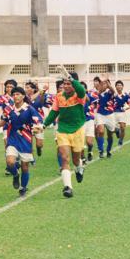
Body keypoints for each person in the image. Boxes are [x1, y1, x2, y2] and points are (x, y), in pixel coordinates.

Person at [44, 70, 86, 198]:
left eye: (69, 83)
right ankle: (68, 187)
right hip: (62, 130)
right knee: (64, 158)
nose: (66, 86)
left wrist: (72, 79)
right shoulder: (59, 96)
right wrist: (44, 124)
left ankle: (79, 168)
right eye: (65, 83)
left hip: (77, 130)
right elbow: (54, 112)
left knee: (75, 159)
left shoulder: (80, 95)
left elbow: (81, 90)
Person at [0, 86, 40, 197]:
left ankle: (23, 187)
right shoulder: (9, 108)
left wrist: (38, 128)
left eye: (18, 94)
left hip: (25, 140)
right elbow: (4, 121)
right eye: (14, 94)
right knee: (10, 162)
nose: (15, 96)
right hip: (12, 139)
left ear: (23, 96)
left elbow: (38, 122)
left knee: (25, 167)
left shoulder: (29, 109)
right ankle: (15, 175)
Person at [25, 81, 52, 157]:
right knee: (28, 142)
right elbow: (29, 99)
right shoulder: (24, 97)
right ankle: (31, 158)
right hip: (27, 121)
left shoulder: (39, 96)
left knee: (39, 144)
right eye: (25, 87)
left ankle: (39, 148)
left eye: (28, 87)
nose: (26, 89)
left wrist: (43, 92)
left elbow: (42, 101)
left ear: (33, 89)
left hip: (38, 122)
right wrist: (40, 91)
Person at [94, 75, 116, 158]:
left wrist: (107, 82)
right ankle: (101, 150)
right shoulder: (96, 92)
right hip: (100, 114)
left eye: (105, 84)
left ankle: (109, 150)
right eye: (102, 83)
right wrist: (101, 84)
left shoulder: (109, 92)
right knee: (101, 131)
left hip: (110, 114)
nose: (103, 85)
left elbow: (113, 91)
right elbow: (98, 93)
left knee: (110, 134)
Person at [83, 79, 99, 163]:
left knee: (89, 142)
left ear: (85, 89)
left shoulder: (90, 95)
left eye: (83, 88)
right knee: (80, 142)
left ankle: (89, 151)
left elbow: (90, 101)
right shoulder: (74, 98)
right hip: (79, 122)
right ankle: (82, 158)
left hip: (89, 120)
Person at [112, 80, 130, 146]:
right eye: (118, 85)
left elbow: (129, 105)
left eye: (120, 85)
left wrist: (125, 108)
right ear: (115, 87)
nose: (119, 86)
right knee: (112, 129)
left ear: (122, 87)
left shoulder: (126, 95)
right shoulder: (113, 95)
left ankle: (121, 140)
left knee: (122, 127)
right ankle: (116, 131)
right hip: (113, 113)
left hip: (122, 113)